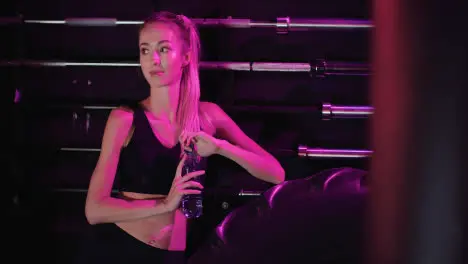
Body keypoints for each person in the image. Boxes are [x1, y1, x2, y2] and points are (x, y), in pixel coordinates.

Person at [79, 11, 285, 264]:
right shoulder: (125, 119)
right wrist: (166, 204)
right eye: (145, 50)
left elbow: (275, 174)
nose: (153, 59)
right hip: (122, 249)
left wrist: (220, 147)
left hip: (177, 256)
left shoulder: (208, 116)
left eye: (163, 49)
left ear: (186, 57)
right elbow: (94, 210)